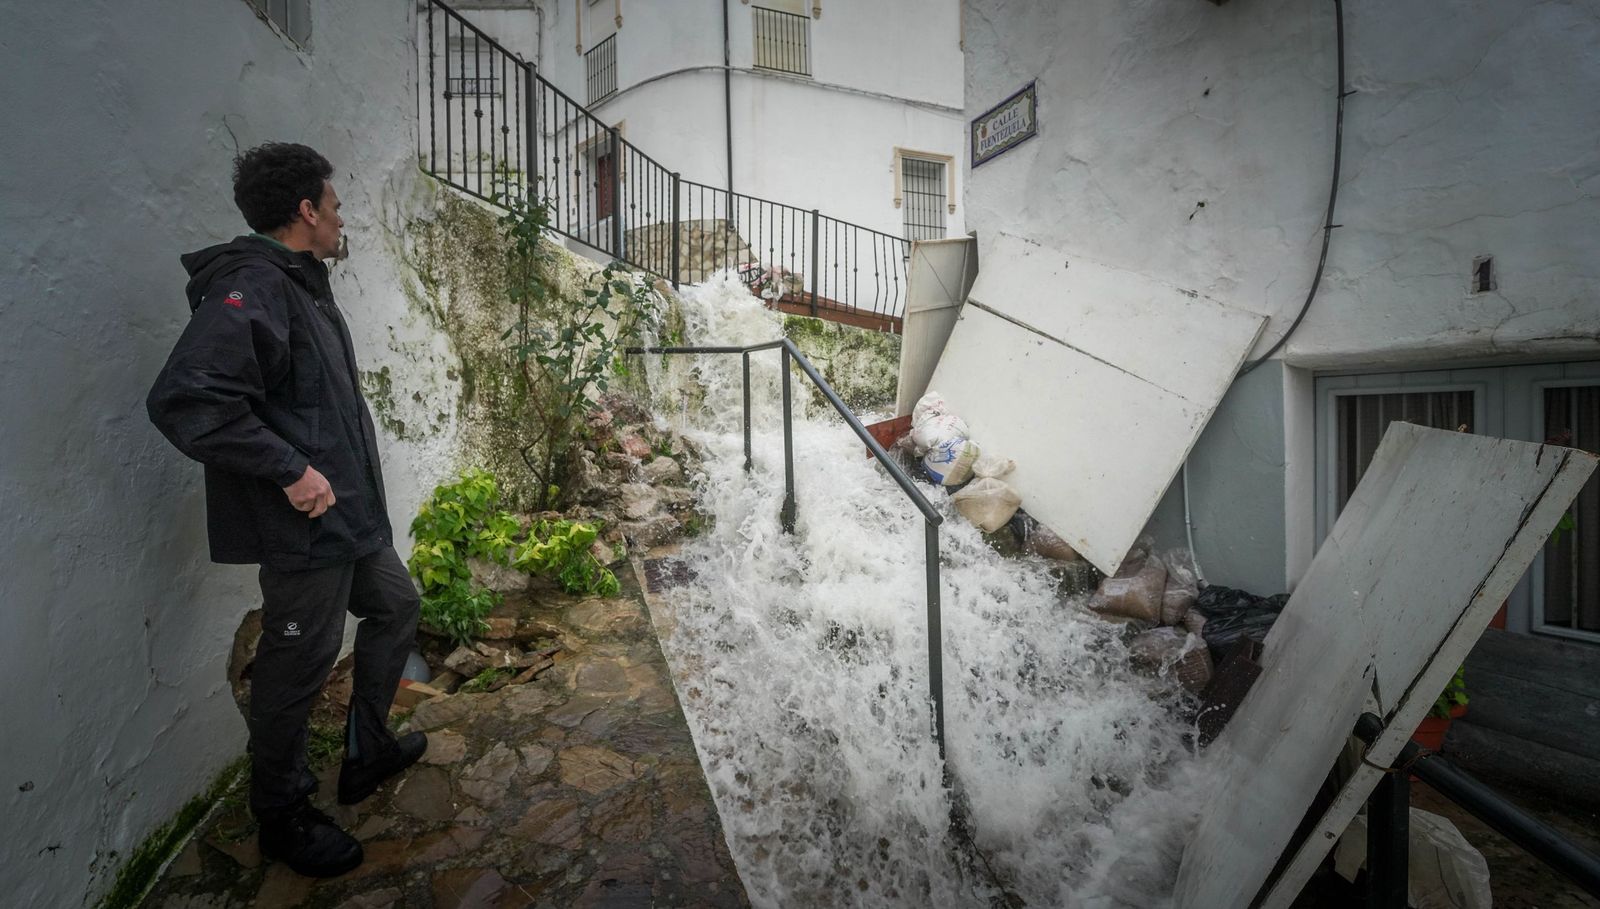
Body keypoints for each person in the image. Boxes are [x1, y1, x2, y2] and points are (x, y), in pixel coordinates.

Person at [147, 142, 426, 878]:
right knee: (293, 671)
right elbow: (188, 399)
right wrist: (290, 469)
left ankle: (367, 750)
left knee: (397, 605)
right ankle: (281, 814)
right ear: (307, 211)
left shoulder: (301, 284)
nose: (341, 219)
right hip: (305, 531)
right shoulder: (252, 285)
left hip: (351, 521)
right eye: (334, 206)